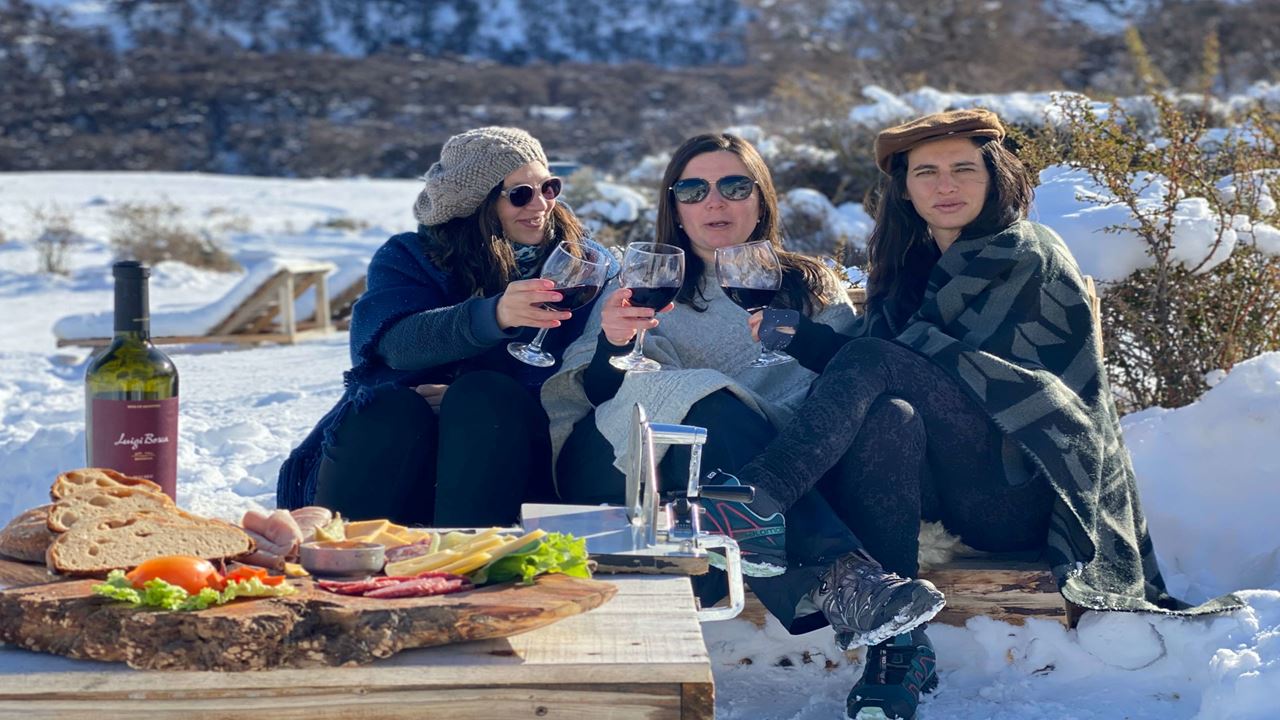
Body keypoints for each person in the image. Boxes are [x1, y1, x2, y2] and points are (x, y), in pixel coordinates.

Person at [712, 109, 1244, 720]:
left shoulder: (1024, 254)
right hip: (943, 488)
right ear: (904, 189)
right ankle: (898, 649)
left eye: (964, 169)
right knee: (890, 416)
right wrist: (801, 338)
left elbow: (980, 379)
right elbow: (896, 369)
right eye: (927, 172)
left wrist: (822, 344)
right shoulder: (910, 274)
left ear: (994, 178)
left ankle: (758, 499)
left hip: (1022, 487)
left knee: (876, 371)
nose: (946, 185)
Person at [540, 133, 944, 640]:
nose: (714, 201)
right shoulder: (639, 281)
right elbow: (594, 396)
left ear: (761, 199)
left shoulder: (810, 284)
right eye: (693, 190)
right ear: (675, 206)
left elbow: (842, 388)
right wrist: (616, 346)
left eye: (734, 185)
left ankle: (829, 575)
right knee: (708, 394)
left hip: (761, 474)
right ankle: (841, 577)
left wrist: (795, 350)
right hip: (628, 465)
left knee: (721, 406)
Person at [277, 126, 614, 527]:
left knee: (482, 396)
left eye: (548, 187)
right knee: (386, 405)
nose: (540, 204)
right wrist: (494, 316)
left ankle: (465, 560)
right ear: (475, 203)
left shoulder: (585, 265)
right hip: (407, 443)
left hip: (510, 449)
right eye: (520, 194)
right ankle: (339, 563)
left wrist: (464, 397)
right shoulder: (412, 255)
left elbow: (585, 374)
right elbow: (394, 343)